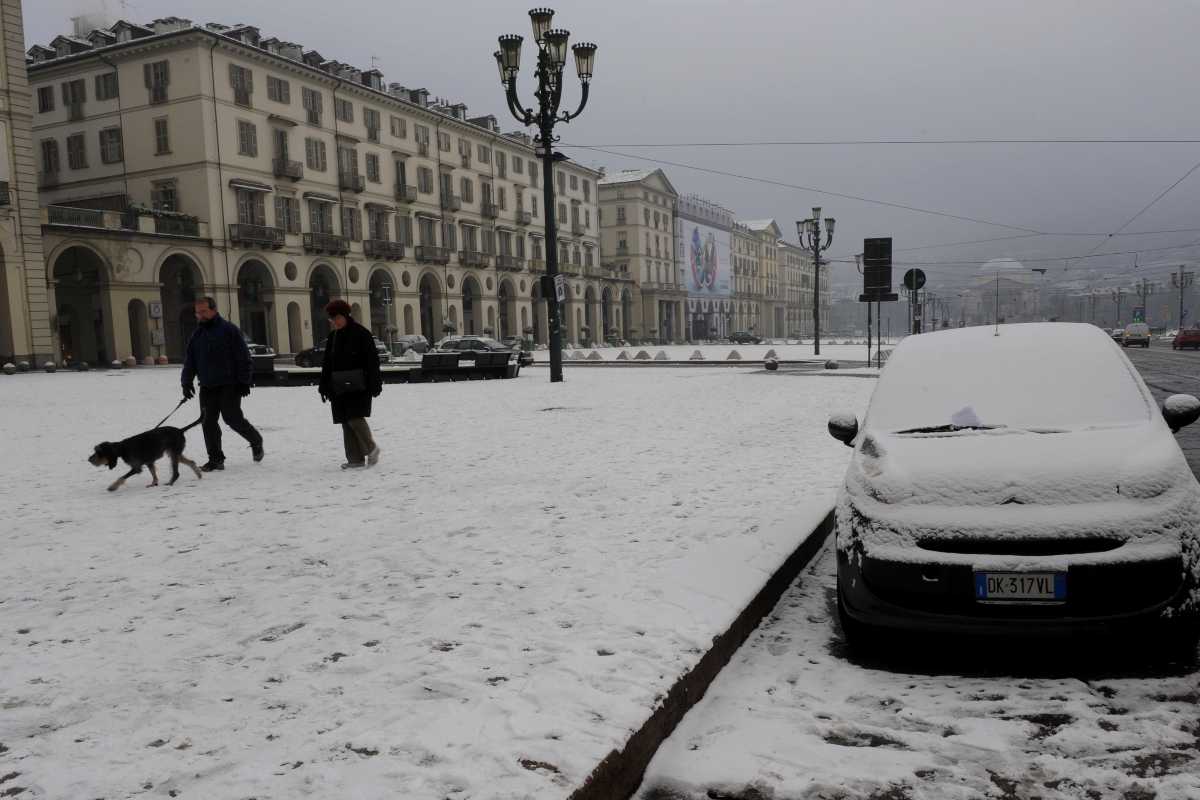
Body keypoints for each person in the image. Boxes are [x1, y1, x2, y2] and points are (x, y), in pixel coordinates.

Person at [181, 296, 264, 471]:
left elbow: (243, 357)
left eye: (203, 311)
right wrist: (186, 382)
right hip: (207, 386)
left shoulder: (229, 330)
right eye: (197, 313)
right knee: (208, 422)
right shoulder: (197, 335)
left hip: (230, 384)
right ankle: (216, 459)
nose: (200, 315)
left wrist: (244, 381)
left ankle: (256, 440)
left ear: (213, 310)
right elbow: (190, 361)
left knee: (232, 419)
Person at [317, 300, 382, 469]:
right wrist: (323, 386)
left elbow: (372, 361)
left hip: (360, 384)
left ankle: (371, 448)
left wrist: (375, 383)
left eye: (338, 317)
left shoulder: (362, 334)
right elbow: (327, 364)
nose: (335, 322)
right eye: (332, 319)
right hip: (338, 386)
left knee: (354, 417)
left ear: (346, 316)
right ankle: (355, 459)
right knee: (345, 421)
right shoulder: (333, 337)